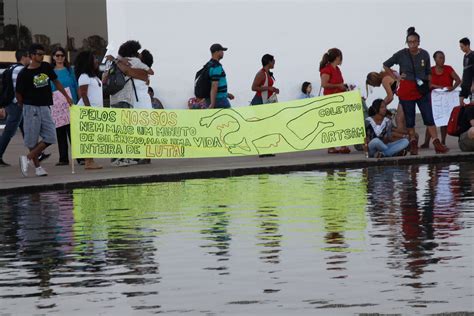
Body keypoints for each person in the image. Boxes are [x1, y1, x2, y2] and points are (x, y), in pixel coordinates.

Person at [383, 27, 448, 155]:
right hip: (406, 90)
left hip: (421, 89)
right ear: (407, 43)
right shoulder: (401, 54)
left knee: (429, 117)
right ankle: (413, 143)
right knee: (410, 119)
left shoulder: (425, 54)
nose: (412, 44)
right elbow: (386, 64)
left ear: (419, 42)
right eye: (410, 42)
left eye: (414, 41)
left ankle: (436, 142)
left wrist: (429, 84)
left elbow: (428, 71)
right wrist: (396, 76)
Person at [16, 44, 73, 177]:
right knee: (32, 140)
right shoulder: (24, 74)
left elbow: (56, 82)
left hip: (46, 107)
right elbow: (18, 93)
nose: (42, 56)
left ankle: (27, 158)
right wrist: (23, 106)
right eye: (39, 54)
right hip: (31, 108)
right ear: (31, 55)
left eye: (43, 53)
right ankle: (38, 168)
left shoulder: (46, 67)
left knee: (51, 137)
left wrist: (66, 96)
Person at [103, 40, 150, 167]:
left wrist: (116, 60)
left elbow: (105, 77)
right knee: (122, 131)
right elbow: (147, 72)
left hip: (118, 98)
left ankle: (125, 157)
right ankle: (117, 158)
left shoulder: (116, 62)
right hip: (123, 99)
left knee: (123, 130)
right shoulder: (129, 63)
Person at [420, 51, 461, 148]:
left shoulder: (448, 68)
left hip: (446, 99)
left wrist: (453, 87)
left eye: (443, 57)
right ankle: (426, 142)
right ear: (435, 59)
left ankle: (443, 141)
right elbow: (428, 85)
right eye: (440, 58)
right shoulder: (431, 70)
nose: (442, 60)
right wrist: (440, 87)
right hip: (434, 99)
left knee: (444, 120)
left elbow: (458, 79)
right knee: (431, 120)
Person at [0, 50, 30, 166]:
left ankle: (36, 153)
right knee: (9, 131)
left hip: (11, 103)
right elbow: (20, 88)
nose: (30, 60)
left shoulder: (11, 68)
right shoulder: (20, 70)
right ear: (23, 57)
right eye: (28, 57)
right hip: (16, 104)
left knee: (26, 130)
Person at [74, 51, 104, 170]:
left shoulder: (94, 77)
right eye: (94, 59)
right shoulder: (84, 76)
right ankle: (88, 161)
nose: (97, 61)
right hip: (87, 110)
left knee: (92, 136)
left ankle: (90, 160)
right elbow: (83, 94)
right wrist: (89, 110)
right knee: (89, 136)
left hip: (94, 109)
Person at [50, 46, 79, 166]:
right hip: (57, 106)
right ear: (53, 57)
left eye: (62, 55)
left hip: (71, 103)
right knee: (60, 133)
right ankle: (63, 158)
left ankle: (80, 157)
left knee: (74, 133)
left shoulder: (70, 70)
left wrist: (79, 101)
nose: (60, 58)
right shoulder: (50, 71)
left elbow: (76, 86)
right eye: (57, 55)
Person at [319, 48, 350, 154]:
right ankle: (331, 147)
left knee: (342, 122)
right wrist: (338, 86)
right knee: (332, 124)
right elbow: (324, 84)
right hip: (330, 100)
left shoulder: (337, 69)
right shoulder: (327, 69)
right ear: (337, 57)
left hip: (339, 99)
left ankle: (342, 145)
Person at [206, 43, 235, 109]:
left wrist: (226, 94)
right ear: (216, 52)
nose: (223, 53)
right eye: (221, 51)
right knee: (229, 118)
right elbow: (214, 85)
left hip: (214, 98)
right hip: (220, 100)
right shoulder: (216, 66)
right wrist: (212, 104)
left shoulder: (209, 64)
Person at [459, 37, 473, 105]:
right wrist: (462, 81)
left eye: (462, 47)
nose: (461, 49)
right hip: (465, 83)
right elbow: (464, 69)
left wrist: (473, 84)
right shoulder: (465, 56)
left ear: (467, 45)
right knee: (461, 101)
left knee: (472, 102)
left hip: (471, 83)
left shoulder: (472, 55)